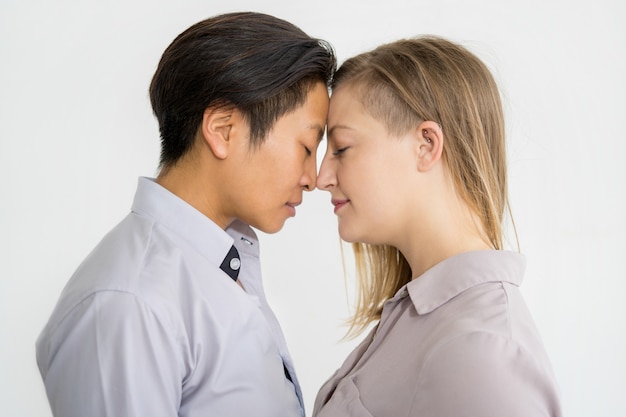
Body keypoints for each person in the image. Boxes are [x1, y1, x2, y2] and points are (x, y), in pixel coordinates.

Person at [36, 12, 335, 417]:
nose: (313, 178)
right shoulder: (129, 303)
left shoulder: (219, 262)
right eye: (306, 146)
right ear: (223, 128)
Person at [313, 36, 561, 416]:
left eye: (342, 148)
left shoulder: (482, 351)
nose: (322, 177)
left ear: (426, 145)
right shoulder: (418, 319)